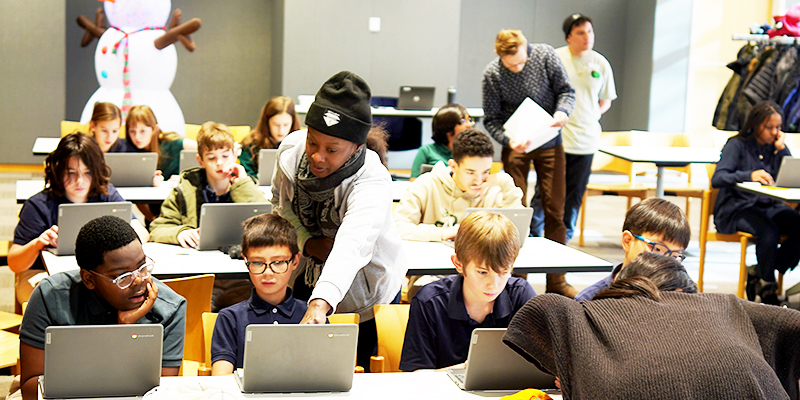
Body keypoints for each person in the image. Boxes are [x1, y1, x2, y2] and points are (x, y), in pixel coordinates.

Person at [503, 253, 800, 400]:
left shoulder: (586, 313)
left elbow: (540, 309)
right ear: (683, 294)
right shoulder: (723, 304)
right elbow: (792, 323)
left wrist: (570, 367)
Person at [271, 71, 407, 371]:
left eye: (332, 150)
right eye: (312, 142)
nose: (318, 156)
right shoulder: (290, 153)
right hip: (308, 277)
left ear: (356, 148)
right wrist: (308, 243)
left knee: (355, 374)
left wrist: (321, 304)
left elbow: (351, 246)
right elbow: (281, 208)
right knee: (306, 372)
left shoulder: (372, 179)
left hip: (366, 291)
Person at [18, 215, 186, 400]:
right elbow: (30, 388)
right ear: (89, 279)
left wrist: (128, 330)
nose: (139, 280)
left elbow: (158, 394)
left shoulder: (170, 308)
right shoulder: (50, 297)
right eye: (123, 276)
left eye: (142, 267)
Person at [482, 29, 576, 297]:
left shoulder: (545, 55)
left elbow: (566, 91)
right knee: (515, 210)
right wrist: (508, 140)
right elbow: (491, 118)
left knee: (555, 207)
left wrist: (562, 112)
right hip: (517, 143)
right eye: (511, 65)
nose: (517, 67)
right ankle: (515, 279)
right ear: (500, 57)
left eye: (521, 62)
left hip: (549, 140)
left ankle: (556, 281)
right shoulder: (492, 73)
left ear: (526, 48)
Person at [8, 133, 149, 306]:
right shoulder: (39, 205)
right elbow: (14, 263)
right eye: (71, 173)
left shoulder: (107, 195)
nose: (79, 180)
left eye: (87, 173)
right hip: (43, 274)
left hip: (96, 276)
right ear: (58, 171)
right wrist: (38, 243)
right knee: (57, 302)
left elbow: (141, 233)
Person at [149, 121, 267, 311]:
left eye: (225, 156)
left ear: (235, 155)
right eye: (211, 158)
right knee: (196, 316)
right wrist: (180, 232)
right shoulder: (185, 188)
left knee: (250, 314)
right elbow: (157, 228)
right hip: (200, 274)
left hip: (240, 276)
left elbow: (266, 220)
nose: (220, 163)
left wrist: (242, 183)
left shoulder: (247, 185)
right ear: (200, 160)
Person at [399, 211, 536, 371]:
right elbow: (416, 376)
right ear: (458, 263)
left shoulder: (521, 295)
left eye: (503, 272)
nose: (493, 284)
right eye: (482, 272)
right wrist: (466, 370)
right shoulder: (430, 302)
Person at [530, 14, 617, 243]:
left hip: (586, 141)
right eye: (580, 32)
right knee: (546, 194)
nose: (587, 37)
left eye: (589, 31)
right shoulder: (555, 59)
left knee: (573, 196)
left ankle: (562, 242)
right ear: (569, 37)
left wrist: (591, 115)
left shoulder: (601, 63)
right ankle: (532, 237)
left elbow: (605, 99)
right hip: (557, 140)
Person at [712, 101, 800, 305]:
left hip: (768, 205)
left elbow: (789, 174)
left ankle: (761, 270)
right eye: (770, 127)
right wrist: (749, 175)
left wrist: (783, 149)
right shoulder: (737, 145)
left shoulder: (775, 148)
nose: (775, 132)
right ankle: (767, 286)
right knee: (769, 232)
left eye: (778, 127)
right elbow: (718, 178)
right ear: (756, 124)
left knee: (798, 224)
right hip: (737, 208)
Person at [210, 213, 307, 375]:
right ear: (246, 261)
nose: (267, 273)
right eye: (257, 263)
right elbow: (221, 378)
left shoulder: (310, 315)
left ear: (295, 261)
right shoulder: (229, 318)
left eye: (278, 262)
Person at [394, 127, 523, 242]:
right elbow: (397, 227)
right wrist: (442, 233)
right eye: (470, 172)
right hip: (431, 263)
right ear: (453, 166)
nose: (478, 181)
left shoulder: (493, 190)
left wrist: (506, 183)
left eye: (485, 172)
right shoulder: (426, 184)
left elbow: (516, 234)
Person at [574, 197, 690, 301]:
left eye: (674, 256)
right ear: (627, 241)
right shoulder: (590, 299)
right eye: (657, 249)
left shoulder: (680, 298)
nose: (666, 261)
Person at [125, 104, 198, 185]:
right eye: (132, 131)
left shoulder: (172, 142)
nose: (137, 137)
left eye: (142, 131)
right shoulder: (126, 148)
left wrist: (184, 177)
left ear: (155, 129)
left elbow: (205, 149)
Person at [239, 96, 301, 177]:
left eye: (286, 125)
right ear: (267, 123)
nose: (281, 130)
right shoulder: (251, 144)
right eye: (276, 125)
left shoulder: (301, 143)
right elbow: (245, 175)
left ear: (292, 123)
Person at [410, 104, 473, 179]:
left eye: (469, 120)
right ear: (448, 128)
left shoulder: (472, 151)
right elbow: (414, 181)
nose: (469, 125)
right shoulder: (426, 151)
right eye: (463, 121)